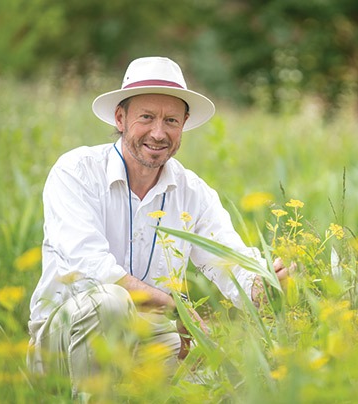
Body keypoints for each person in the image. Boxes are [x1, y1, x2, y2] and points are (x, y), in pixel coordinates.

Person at [27, 56, 289, 391]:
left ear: (184, 124)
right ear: (121, 118)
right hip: (62, 343)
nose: (158, 132)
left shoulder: (193, 191)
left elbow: (229, 261)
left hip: (151, 337)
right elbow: (90, 267)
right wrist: (173, 305)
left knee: (225, 377)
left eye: (171, 120)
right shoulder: (76, 172)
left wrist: (264, 282)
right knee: (110, 301)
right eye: (146, 117)